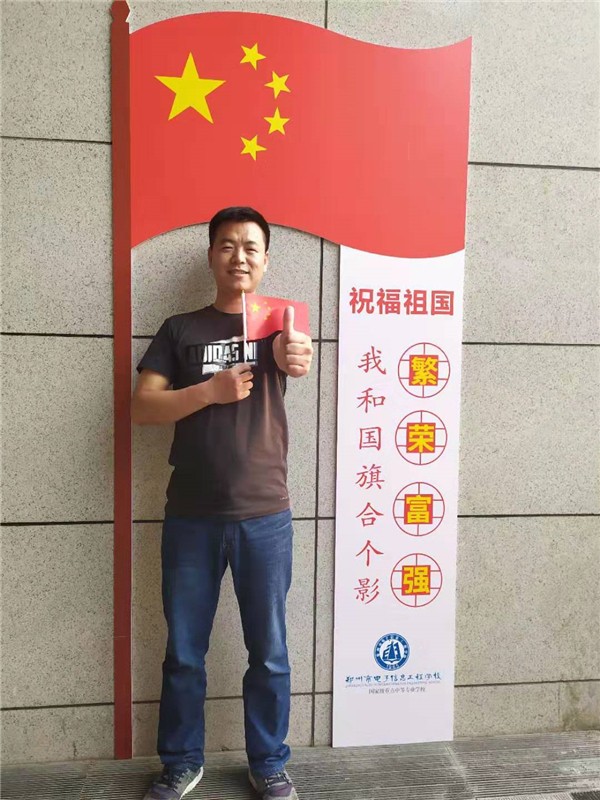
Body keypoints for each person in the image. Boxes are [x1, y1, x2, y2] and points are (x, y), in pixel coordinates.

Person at [132, 207, 313, 800]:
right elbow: (142, 407)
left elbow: (294, 358)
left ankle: (269, 762)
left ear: (266, 261)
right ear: (212, 255)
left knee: (271, 652)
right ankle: (181, 762)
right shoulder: (179, 329)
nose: (240, 256)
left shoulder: (278, 323)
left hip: (266, 514)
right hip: (191, 516)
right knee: (185, 651)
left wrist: (296, 356)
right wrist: (209, 390)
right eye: (228, 245)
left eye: (251, 247)